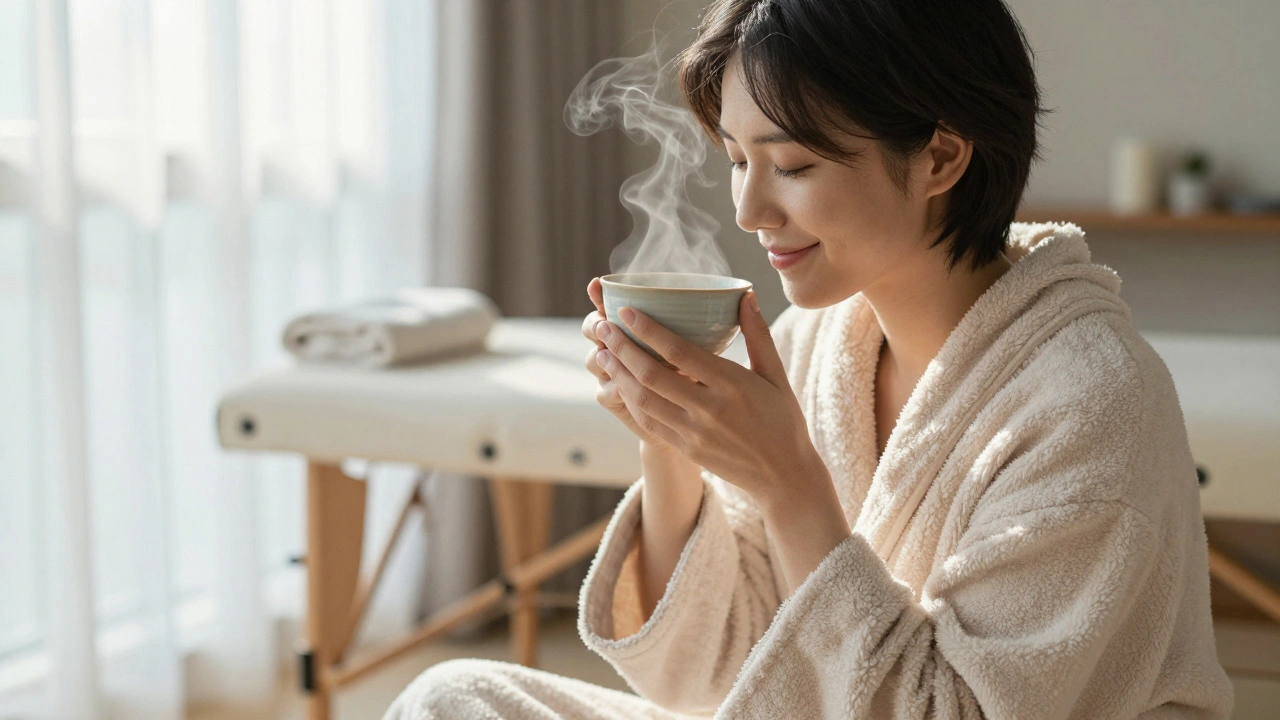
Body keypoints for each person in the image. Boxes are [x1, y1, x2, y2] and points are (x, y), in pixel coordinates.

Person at [385, 0, 1234, 717]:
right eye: (738, 162)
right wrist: (672, 438)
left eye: (791, 164)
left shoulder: (1089, 402)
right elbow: (719, 673)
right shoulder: (817, 345)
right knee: (454, 697)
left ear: (941, 155)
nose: (751, 209)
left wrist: (791, 480)